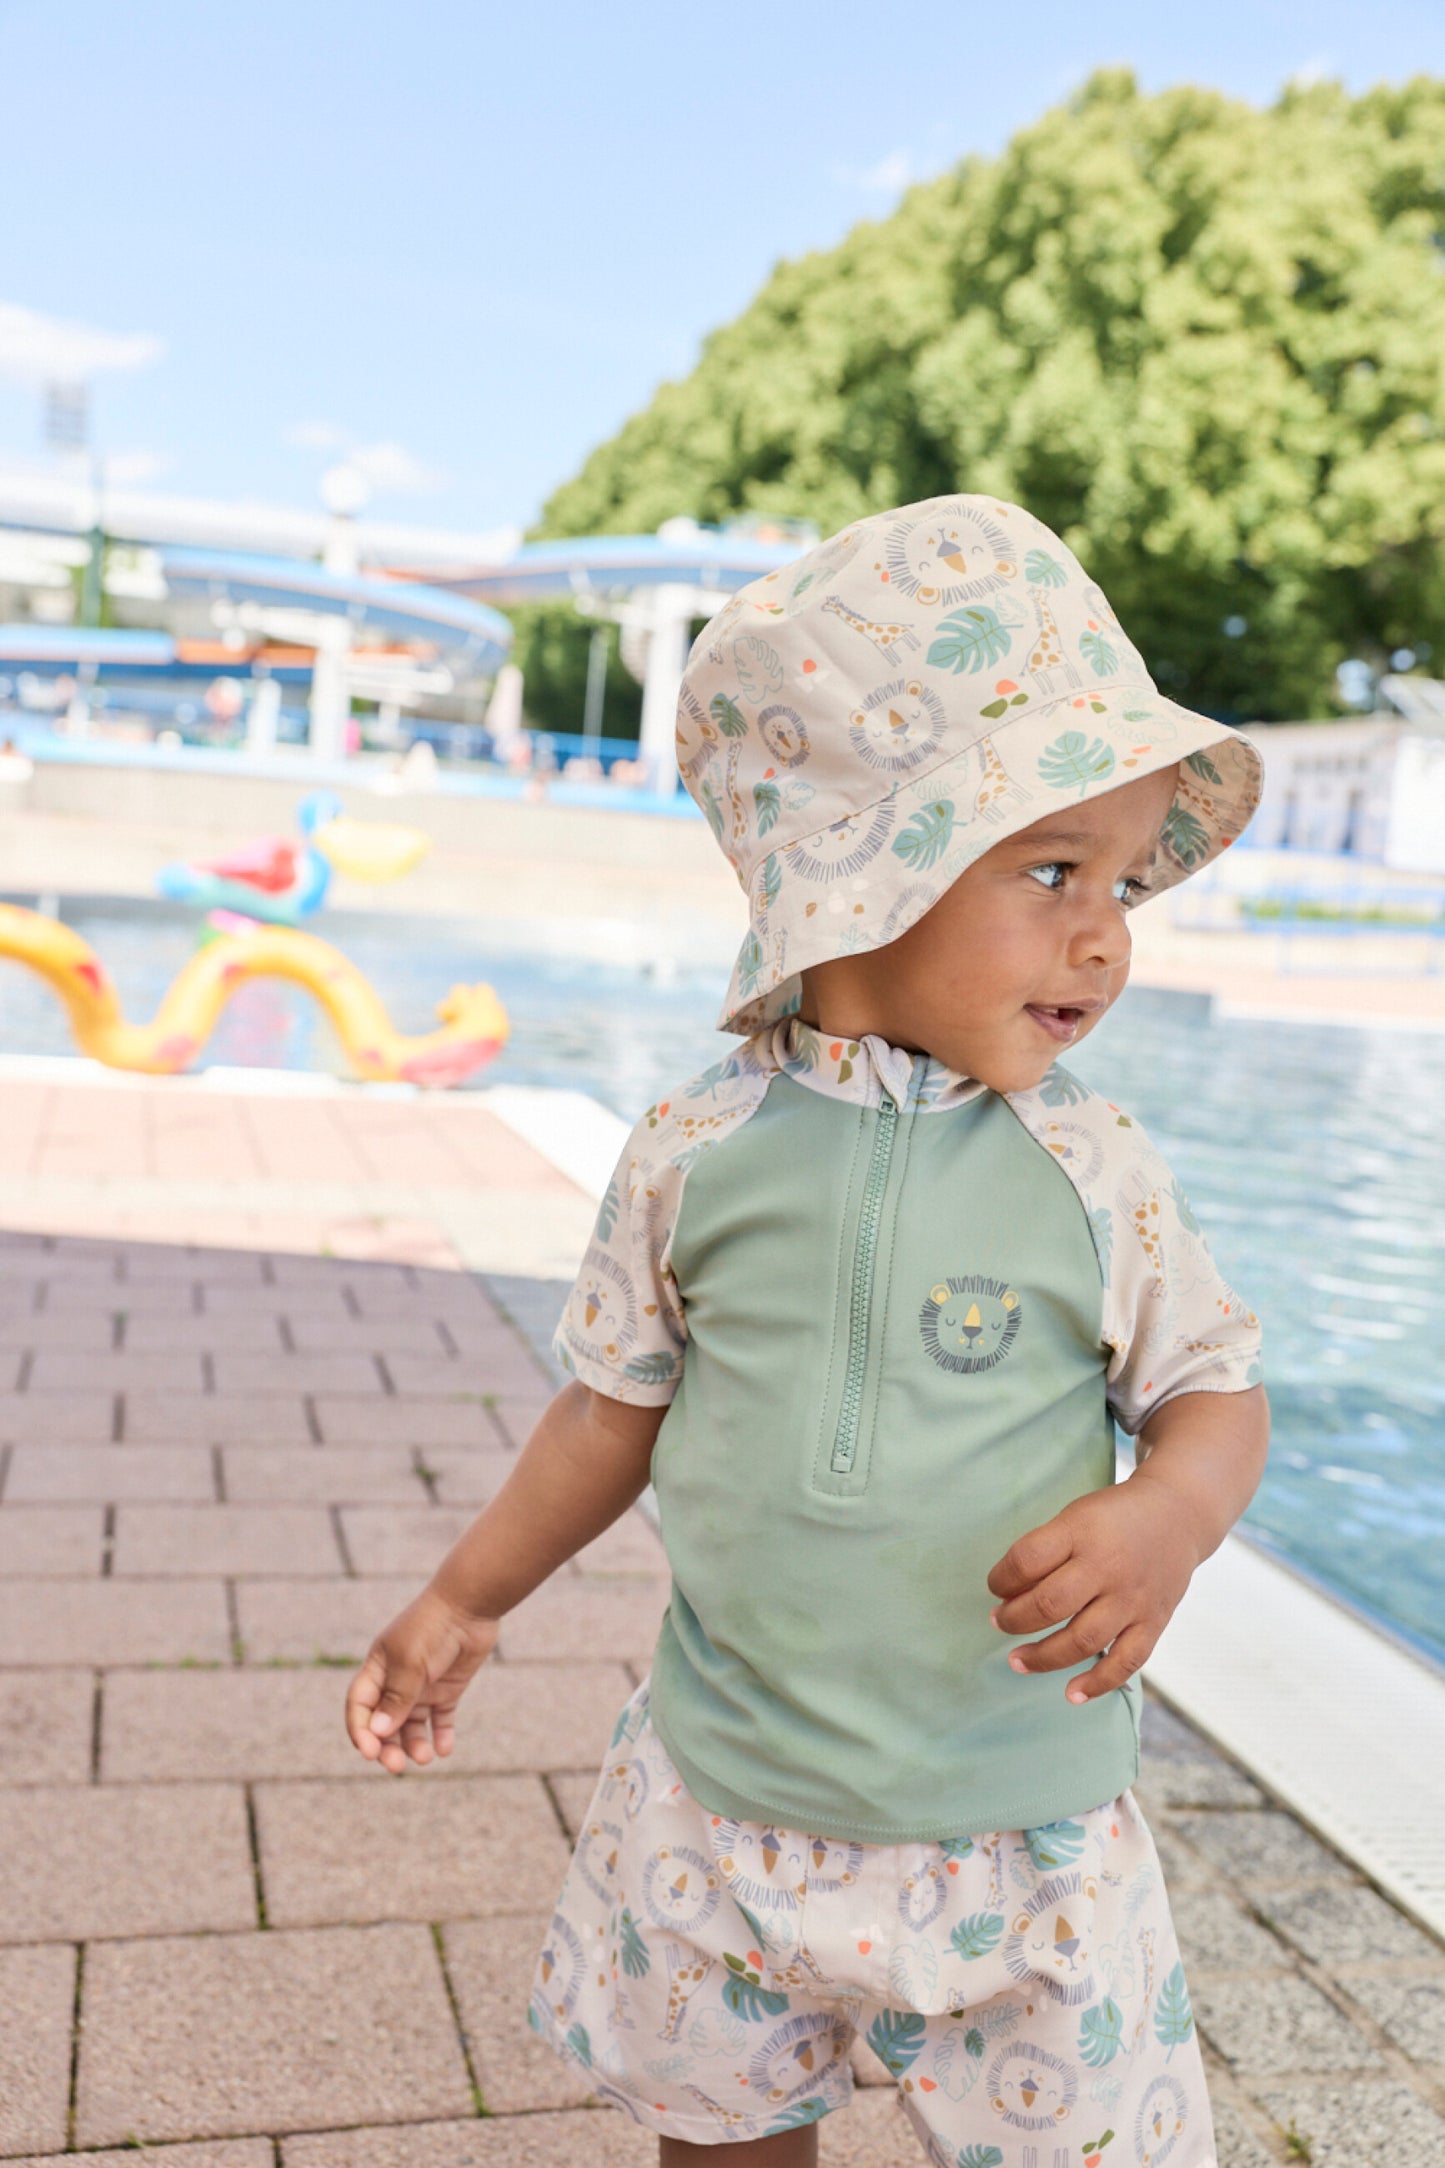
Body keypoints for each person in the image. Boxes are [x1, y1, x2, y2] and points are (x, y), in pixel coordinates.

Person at [346, 495, 1269, 2166]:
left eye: (1122, 882)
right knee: (723, 2138)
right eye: (1051, 870)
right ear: (860, 873)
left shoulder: (1093, 1168)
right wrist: (464, 1597)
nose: (1104, 933)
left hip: (1018, 1829)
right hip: (723, 1809)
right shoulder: (693, 1152)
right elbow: (608, 1412)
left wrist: (1170, 1516)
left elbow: (1213, 1389)